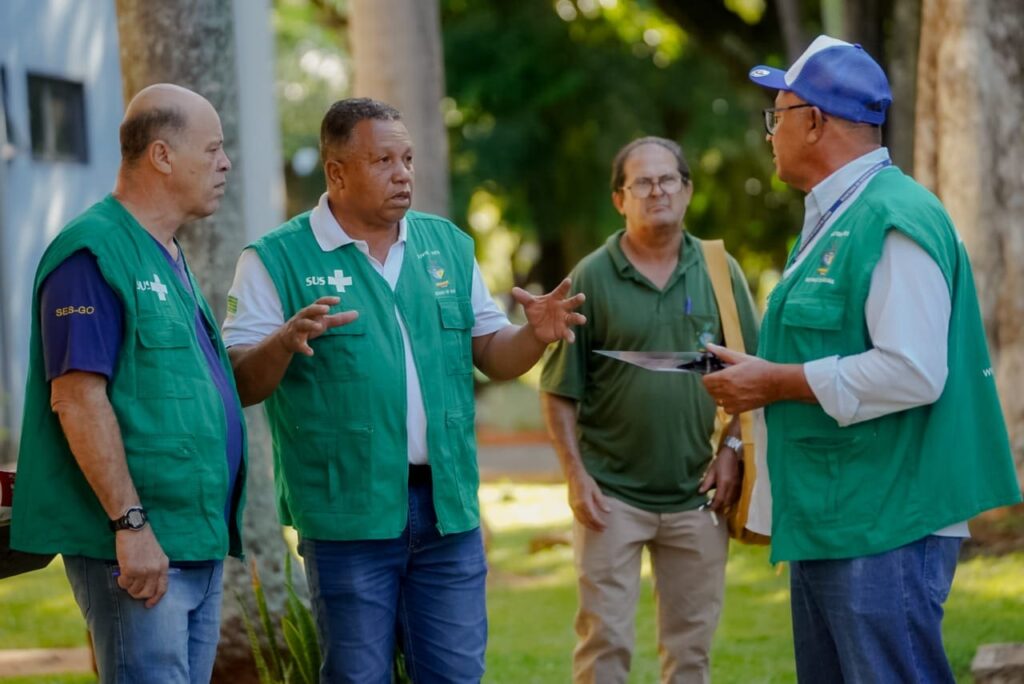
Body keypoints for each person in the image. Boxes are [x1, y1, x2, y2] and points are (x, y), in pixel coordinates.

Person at [222, 97, 585, 683]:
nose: (403, 174)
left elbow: (492, 352)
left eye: (408, 158)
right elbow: (238, 380)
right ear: (337, 173)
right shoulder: (275, 259)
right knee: (358, 677)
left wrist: (534, 337)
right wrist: (284, 341)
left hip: (446, 512)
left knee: (456, 676)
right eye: (383, 160)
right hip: (347, 517)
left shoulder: (447, 246)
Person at [702, 36, 1022, 683]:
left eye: (778, 115)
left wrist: (777, 382)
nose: (770, 134)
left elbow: (913, 370)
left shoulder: (893, 218)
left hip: (886, 529)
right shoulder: (832, 218)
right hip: (837, 518)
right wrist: (745, 426)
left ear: (814, 121)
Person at [11, 84, 246, 683]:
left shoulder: (166, 252)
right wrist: (131, 526)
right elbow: (77, 398)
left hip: (193, 542)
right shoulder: (91, 253)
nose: (225, 163)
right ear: (162, 156)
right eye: (213, 149)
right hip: (138, 551)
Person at [539, 136, 759, 683]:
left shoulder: (719, 270)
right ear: (620, 199)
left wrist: (732, 448)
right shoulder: (590, 277)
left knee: (690, 654)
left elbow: (754, 377)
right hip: (609, 498)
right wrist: (575, 477)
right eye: (643, 181)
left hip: (699, 495)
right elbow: (558, 390)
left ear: (686, 190)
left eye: (668, 180)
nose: (656, 190)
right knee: (604, 645)